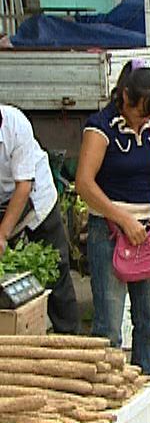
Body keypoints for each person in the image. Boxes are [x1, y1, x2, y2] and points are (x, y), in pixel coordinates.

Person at [75, 60, 150, 374]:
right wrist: (123, 219)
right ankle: (109, 394)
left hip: (148, 233)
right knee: (109, 325)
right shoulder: (100, 127)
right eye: (144, 111)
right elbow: (84, 184)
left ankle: (144, 383)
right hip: (110, 233)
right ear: (126, 98)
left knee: (149, 319)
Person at [0, 105, 78, 334]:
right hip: (2, 199)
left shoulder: (16, 124)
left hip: (35, 199)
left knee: (56, 268)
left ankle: (69, 340)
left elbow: (24, 186)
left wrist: (3, 235)